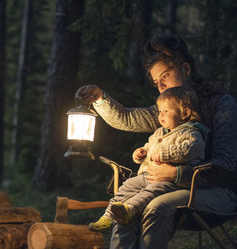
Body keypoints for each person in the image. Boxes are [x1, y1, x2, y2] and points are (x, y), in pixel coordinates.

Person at [75, 34, 237, 249]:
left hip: (217, 193)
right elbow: (128, 118)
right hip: (171, 188)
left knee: (156, 206)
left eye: (165, 76)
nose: (162, 86)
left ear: (186, 69)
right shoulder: (168, 109)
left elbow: (225, 168)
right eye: (157, 83)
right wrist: (101, 99)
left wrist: (177, 174)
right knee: (128, 204)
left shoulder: (222, 104)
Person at [88, 86, 210, 232]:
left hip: (173, 182)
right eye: (160, 111)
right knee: (127, 185)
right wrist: (142, 153)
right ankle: (108, 216)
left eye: (166, 111)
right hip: (149, 175)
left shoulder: (192, 132)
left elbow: (190, 149)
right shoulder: (159, 132)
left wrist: (164, 154)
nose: (161, 115)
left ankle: (129, 210)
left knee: (152, 191)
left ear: (185, 113)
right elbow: (149, 146)